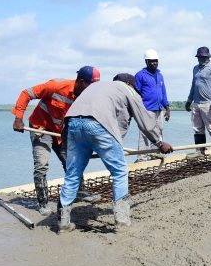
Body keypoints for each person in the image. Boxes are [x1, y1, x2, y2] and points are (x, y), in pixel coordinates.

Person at [57, 73, 173, 232]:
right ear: (130, 84)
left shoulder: (97, 86)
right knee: (119, 172)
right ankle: (122, 221)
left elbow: (74, 120)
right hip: (98, 125)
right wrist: (160, 143)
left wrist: (89, 145)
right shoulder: (127, 89)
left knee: (72, 173)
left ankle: (63, 223)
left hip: (72, 124)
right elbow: (145, 122)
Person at [12, 66, 100, 216]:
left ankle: (80, 192)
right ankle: (43, 203)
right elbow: (27, 93)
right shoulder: (56, 86)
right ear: (81, 81)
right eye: (91, 86)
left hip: (61, 132)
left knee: (72, 161)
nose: (93, 90)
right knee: (41, 165)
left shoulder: (88, 97)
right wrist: (18, 118)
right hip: (41, 128)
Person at [184, 46, 211, 162]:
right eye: (199, 57)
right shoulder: (195, 68)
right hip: (196, 104)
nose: (201, 59)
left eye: (203, 57)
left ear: (208, 57)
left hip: (208, 104)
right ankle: (200, 152)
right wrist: (189, 100)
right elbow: (193, 85)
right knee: (197, 129)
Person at [134, 49, 171, 162]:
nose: (155, 63)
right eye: (152, 61)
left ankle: (155, 154)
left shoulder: (160, 75)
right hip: (146, 109)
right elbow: (136, 93)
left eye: (156, 61)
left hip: (159, 109)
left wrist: (167, 107)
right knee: (145, 132)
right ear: (146, 62)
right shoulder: (140, 75)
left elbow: (163, 92)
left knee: (159, 130)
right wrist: (139, 108)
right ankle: (142, 157)